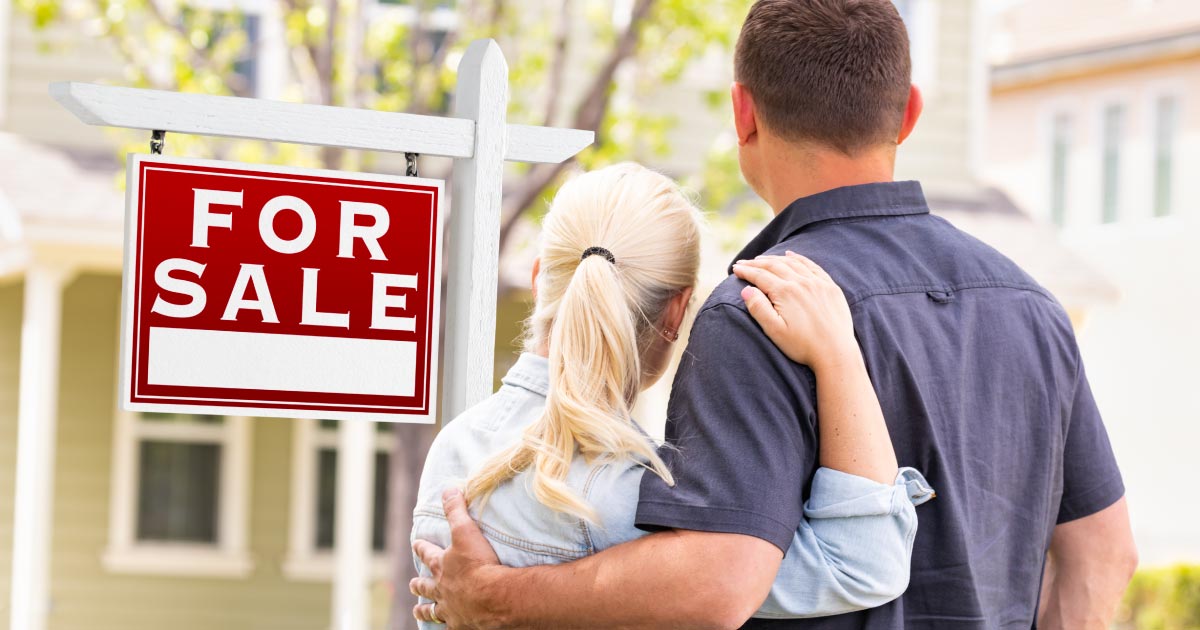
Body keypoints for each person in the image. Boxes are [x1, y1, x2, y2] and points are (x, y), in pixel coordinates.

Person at [412, 0, 1138, 628]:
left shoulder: (754, 313)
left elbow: (717, 577)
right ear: (910, 113)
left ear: (743, 112)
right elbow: (1104, 553)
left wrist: (502, 599)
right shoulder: (1034, 311)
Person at [410, 163, 935, 629]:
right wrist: (838, 353)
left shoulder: (452, 449)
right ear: (676, 313)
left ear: (538, 277)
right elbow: (860, 563)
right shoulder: (631, 494)